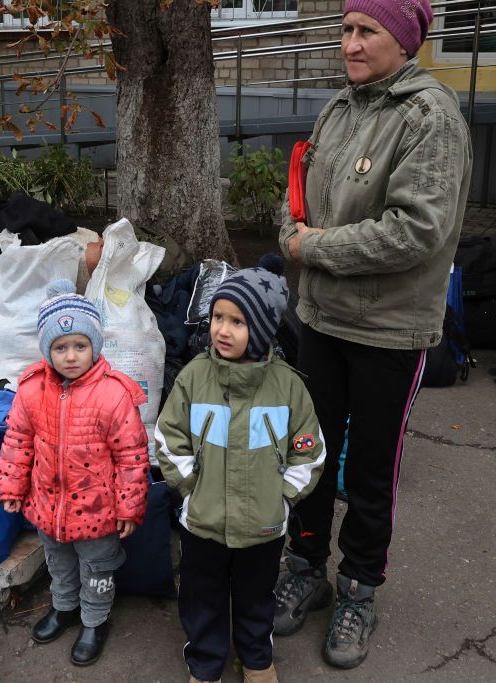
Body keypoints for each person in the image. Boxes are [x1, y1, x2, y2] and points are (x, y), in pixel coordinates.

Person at [273, 0, 473, 670]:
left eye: (367, 32)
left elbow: (416, 231)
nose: (350, 45)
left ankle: (358, 588)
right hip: (323, 319)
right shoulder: (341, 108)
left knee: (369, 469)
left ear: (404, 40)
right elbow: (299, 189)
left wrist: (316, 246)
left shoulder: (430, 117)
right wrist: (289, 228)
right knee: (309, 453)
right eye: (347, 29)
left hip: (389, 329)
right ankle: (304, 565)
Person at [155, 255, 326, 683]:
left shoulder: (288, 387)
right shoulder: (194, 378)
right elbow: (167, 437)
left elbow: (310, 450)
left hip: (263, 527)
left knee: (256, 598)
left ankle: (256, 659)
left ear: (263, 330)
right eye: (217, 317)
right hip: (203, 523)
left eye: (237, 321)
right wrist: (191, 487)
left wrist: (283, 497)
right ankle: (206, 663)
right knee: (202, 598)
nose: (222, 329)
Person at [0, 280, 149, 667]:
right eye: (60, 348)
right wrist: (12, 486)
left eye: (80, 346)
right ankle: (64, 608)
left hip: (99, 510)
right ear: (47, 349)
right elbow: (17, 441)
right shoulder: (31, 390)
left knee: (98, 567)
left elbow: (132, 456)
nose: (70, 356)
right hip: (49, 505)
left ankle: (95, 619)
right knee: (58, 561)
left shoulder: (114, 394)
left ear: (95, 346)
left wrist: (129, 508)